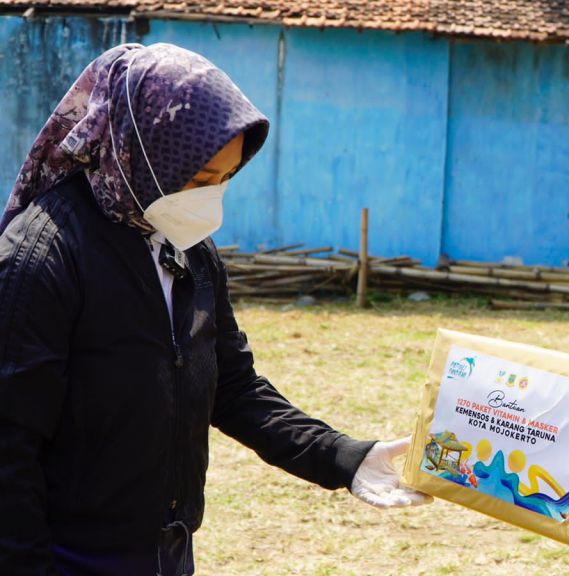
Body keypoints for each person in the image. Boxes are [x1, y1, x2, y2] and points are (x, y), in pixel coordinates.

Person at [0, 43, 427, 576]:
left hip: (169, 553)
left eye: (226, 178)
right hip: (69, 559)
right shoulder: (43, 256)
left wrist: (343, 457)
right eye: (200, 179)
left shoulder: (187, 248)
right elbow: (9, 447)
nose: (211, 199)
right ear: (143, 152)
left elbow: (232, 385)